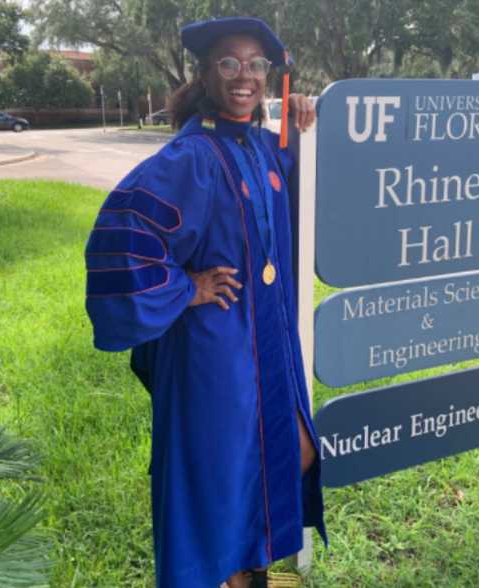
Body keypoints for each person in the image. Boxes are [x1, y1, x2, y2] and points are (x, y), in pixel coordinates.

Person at [84, 17, 323, 588]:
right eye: (229, 62)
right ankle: (227, 576)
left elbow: (302, 197)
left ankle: (249, 569)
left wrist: (302, 123)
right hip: (215, 346)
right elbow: (121, 238)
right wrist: (188, 288)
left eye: (256, 64)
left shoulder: (260, 147)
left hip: (268, 338)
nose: (245, 75)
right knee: (220, 472)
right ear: (205, 72)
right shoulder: (192, 155)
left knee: (294, 451)